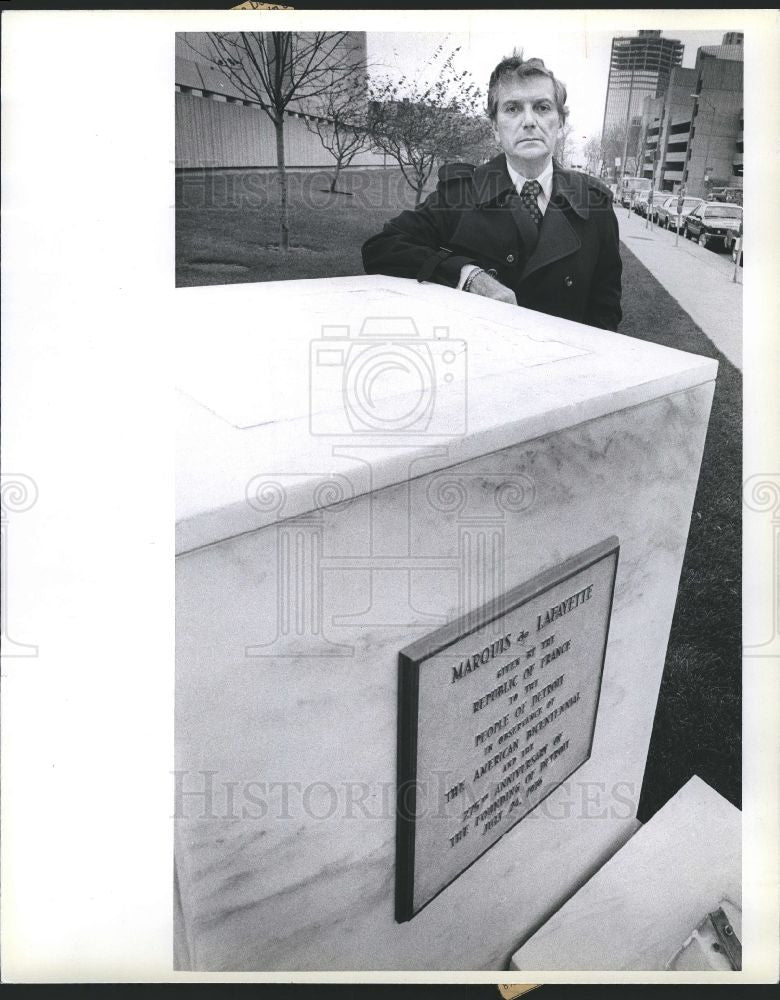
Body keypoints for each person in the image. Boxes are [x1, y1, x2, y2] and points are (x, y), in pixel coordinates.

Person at [362, 53, 622, 332]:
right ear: (495, 128)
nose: (529, 121)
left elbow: (604, 316)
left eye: (543, 107)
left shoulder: (594, 204)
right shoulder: (460, 194)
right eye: (512, 109)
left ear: (560, 124)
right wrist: (469, 275)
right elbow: (382, 247)